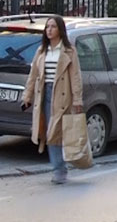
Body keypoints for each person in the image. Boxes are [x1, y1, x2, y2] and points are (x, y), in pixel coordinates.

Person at [21, 15, 84, 185]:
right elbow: (33, 75)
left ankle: (59, 169)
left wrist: (77, 100)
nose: (49, 30)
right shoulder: (41, 51)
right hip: (45, 95)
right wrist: (27, 96)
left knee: (55, 133)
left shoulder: (69, 51)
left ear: (60, 30)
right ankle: (60, 167)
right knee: (50, 133)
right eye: (47, 27)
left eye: (53, 27)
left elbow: (75, 77)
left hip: (63, 95)